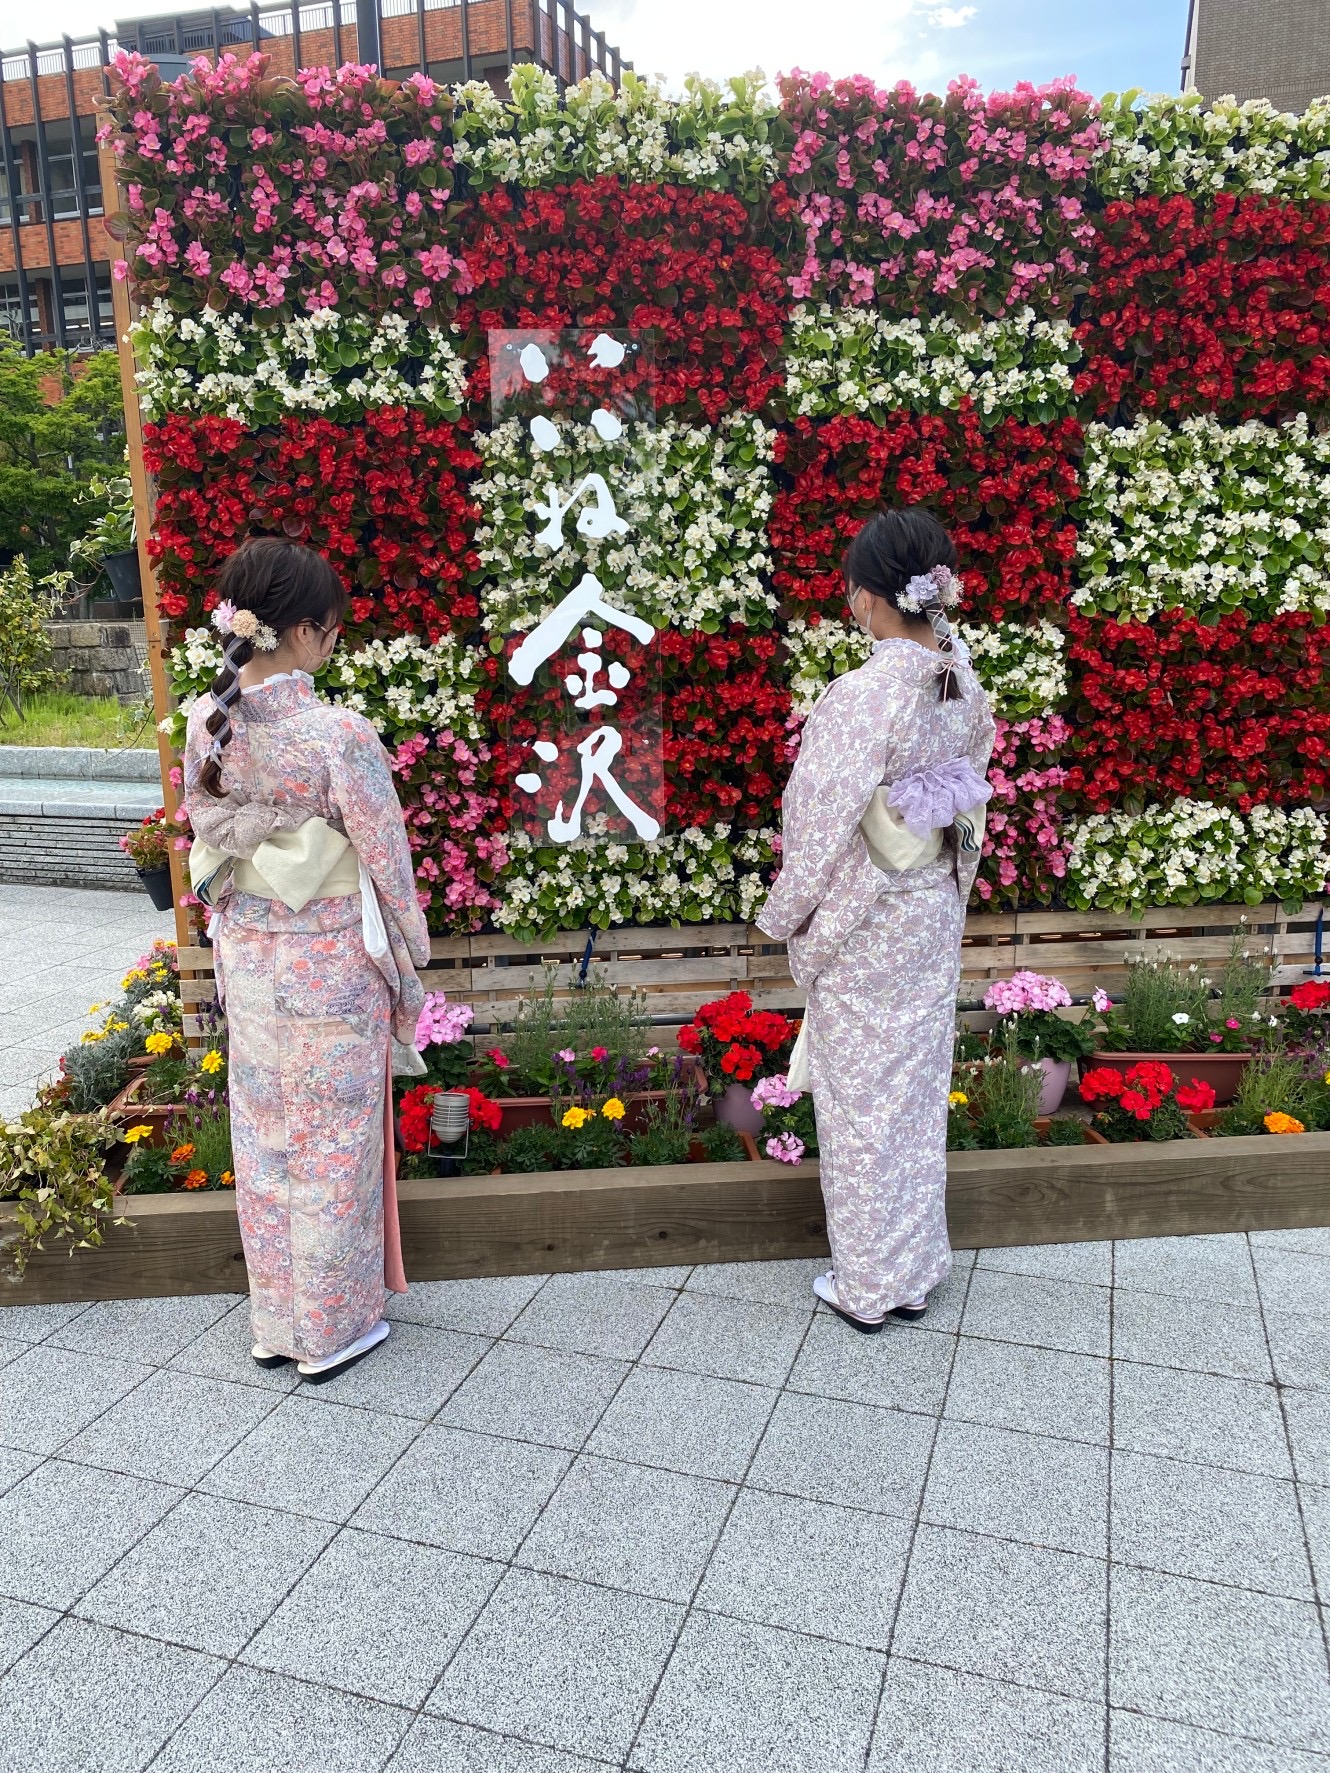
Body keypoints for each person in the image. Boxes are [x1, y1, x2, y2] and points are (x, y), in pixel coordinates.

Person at [182, 537, 430, 1380]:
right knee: (335, 1147)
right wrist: (410, 966)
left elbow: (207, 840)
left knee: (268, 1141)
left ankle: (275, 1322)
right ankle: (332, 1329)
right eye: (330, 629)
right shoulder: (338, 733)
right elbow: (387, 865)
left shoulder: (207, 722)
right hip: (331, 963)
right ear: (301, 633)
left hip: (251, 959)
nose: (334, 642)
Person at [757, 509, 995, 1332]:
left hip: (867, 919)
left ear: (866, 600)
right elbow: (972, 780)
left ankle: (867, 1283)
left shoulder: (864, 694)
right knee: (915, 1092)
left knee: (863, 1103)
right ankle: (915, 1268)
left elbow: (819, 817)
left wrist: (784, 913)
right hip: (929, 906)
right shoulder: (959, 678)